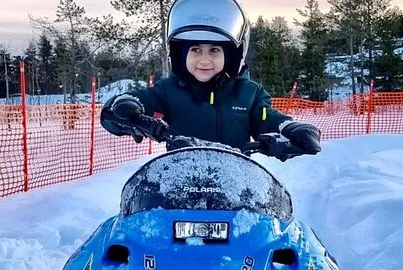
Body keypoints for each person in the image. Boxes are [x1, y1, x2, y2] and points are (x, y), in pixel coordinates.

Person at [100, 0, 322, 161]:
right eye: (195, 49)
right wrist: (125, 109)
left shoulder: (249, 93)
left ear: (232, 55)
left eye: (214, 50)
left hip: (237, 184)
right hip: (178, 184)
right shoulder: (167, 91)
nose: (204, 60)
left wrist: (291, 129)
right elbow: (120, 111)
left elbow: (267, 118)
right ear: (180, 54)